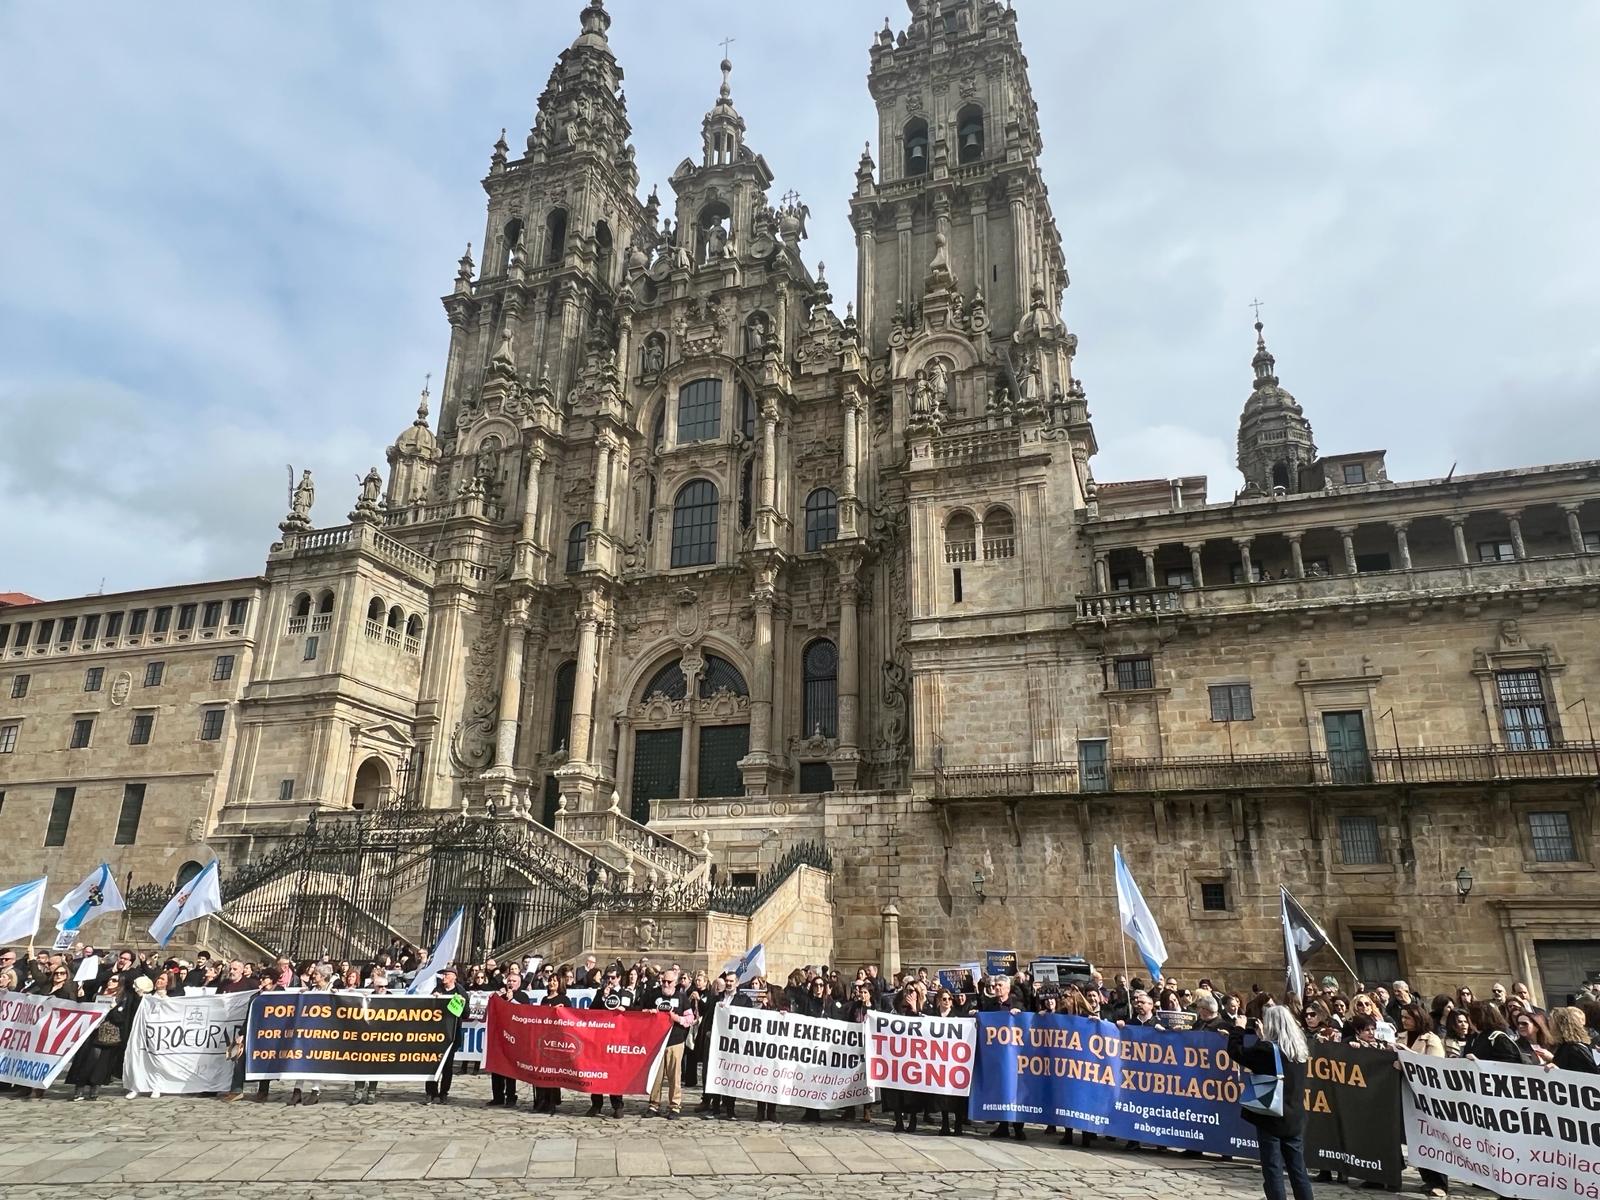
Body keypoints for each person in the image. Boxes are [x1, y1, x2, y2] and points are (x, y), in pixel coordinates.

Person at [1230, 1005, 1315, 1200]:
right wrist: (1262, 1038)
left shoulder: (1266, 1049)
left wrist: (1239, 1029)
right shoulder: (1299, 1050)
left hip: (1271, 1115)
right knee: (1298, 1169)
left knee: (1273, 1168)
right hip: (1294, 1115)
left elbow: (1236, 1052)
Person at [1397, 1004, 1449, 1197]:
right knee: (1416, 1139)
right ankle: (1426, 1178)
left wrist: (1408, 1055)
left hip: (1428, 1097)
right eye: (1402, 1017)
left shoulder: (1431, 1039)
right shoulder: (1401, 1036)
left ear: (1418, 1018)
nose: (1404, 1021)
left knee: (1432, 1138)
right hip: (1407, 1093)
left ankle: (1440, 1182)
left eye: (1407, 1018)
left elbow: (1434, 1067)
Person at [68, 973, 135, 1101]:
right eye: (110, 980)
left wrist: (113, 1009)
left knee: (102, 1063)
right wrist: (81, 997)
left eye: (114, 980)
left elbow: (121, 1019)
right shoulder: (97, 995)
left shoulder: (123, 998)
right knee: (87, 1060)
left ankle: (95, 1088)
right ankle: (80, 1088)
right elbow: (86, 1010)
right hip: (92, 1032)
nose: (110, 982)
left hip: (109, 1035)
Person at [641, 967, 695, 1120]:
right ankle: (653, 1104)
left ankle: (675, 1106)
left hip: (675, 1041)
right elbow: (640, 1011)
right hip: (657, 1042)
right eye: (663, 981)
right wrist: (648, 1013)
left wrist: (676, 1018)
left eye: (669, 982)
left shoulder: (682, 997)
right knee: (656, 1075)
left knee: (674, 1076)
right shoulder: (653, 994)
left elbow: (690, 1019)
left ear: (675, 983)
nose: (665, 984)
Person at [424, 965, 468, 1105]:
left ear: (454, 977)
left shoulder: (460, 991)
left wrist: (460, 1003)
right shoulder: (437, 990)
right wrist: (434, 1000)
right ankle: (431, 1092)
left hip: (451, 1035)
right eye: (443, 975)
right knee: (432, 1064)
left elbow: (466, 1014)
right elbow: (427, 1011)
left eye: (447, 974)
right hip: (435, 1034)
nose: (444, 977)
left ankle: (444, 1092)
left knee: (447, 1066)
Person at [487, 968, 530, 1109]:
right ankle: (497, 1096)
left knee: (510, 1068)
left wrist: (511, 999)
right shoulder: (501, 994)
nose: (511, 983)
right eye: (509, 980)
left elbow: (524, 1013)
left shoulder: (523, 996)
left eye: (514, 981)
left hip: (513, 1036)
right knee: (497, 1067)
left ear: (519, 983)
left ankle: (510, 1096)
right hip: (499, 1035)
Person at [533, 968, 572, 1113]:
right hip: (544, 1037)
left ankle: (552, 1101)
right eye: (550, 980)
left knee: (553, 1071)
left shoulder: (564, 1000)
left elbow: (570, 1019)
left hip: (556, 1039)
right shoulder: (544, 999)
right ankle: (541, 1099)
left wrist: (561, 1011)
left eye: (555, 981)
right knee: (542, 1070)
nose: (552, 983)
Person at [1534, 1007, 1599, 1074]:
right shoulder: (1566, 1046)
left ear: (1559, 1026)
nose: (1548, 1025)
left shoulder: (1574, 1049)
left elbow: (1586, 1077)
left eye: (1550, 1021)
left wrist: (1558, 1071)